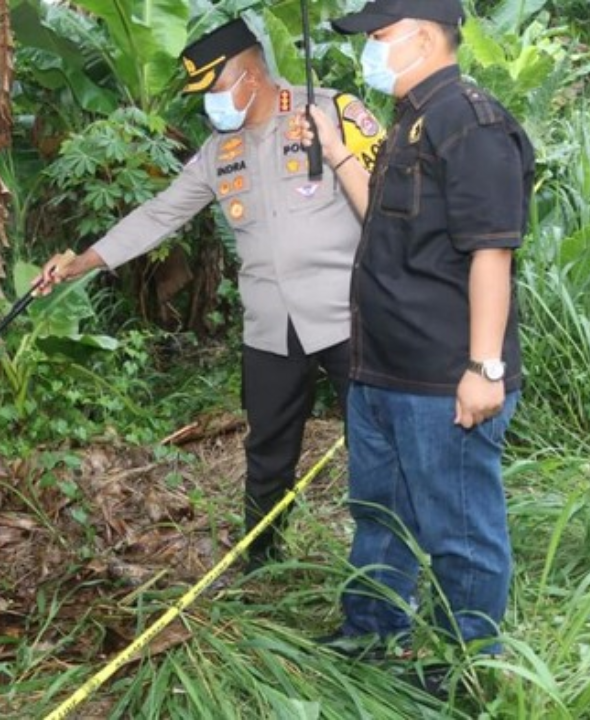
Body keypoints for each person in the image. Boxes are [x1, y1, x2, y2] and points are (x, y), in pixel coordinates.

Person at [34, 18, 385, 573]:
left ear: (251, 76)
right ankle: (260, 561)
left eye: (216, 89)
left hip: (349, 317)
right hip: (271, 327)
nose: (210, 105)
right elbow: (160, 213)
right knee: (267, 451)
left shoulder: (330, 112)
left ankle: (384, 570)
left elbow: (389, 201)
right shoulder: (220, 151)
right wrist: (82, 261)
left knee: (376, 445)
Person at [306, 0, 536, 662]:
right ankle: (373, 629)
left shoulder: (470, 124)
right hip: (382, 367)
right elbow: (386, 221)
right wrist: (338, 152)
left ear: (426, 38)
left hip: (442, 377)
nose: (371, 50)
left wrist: (484, 368)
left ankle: (465, 666)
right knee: (379, 512)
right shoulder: (413, 120)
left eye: (380, 36)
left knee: (459, 529)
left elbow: (492, 252)